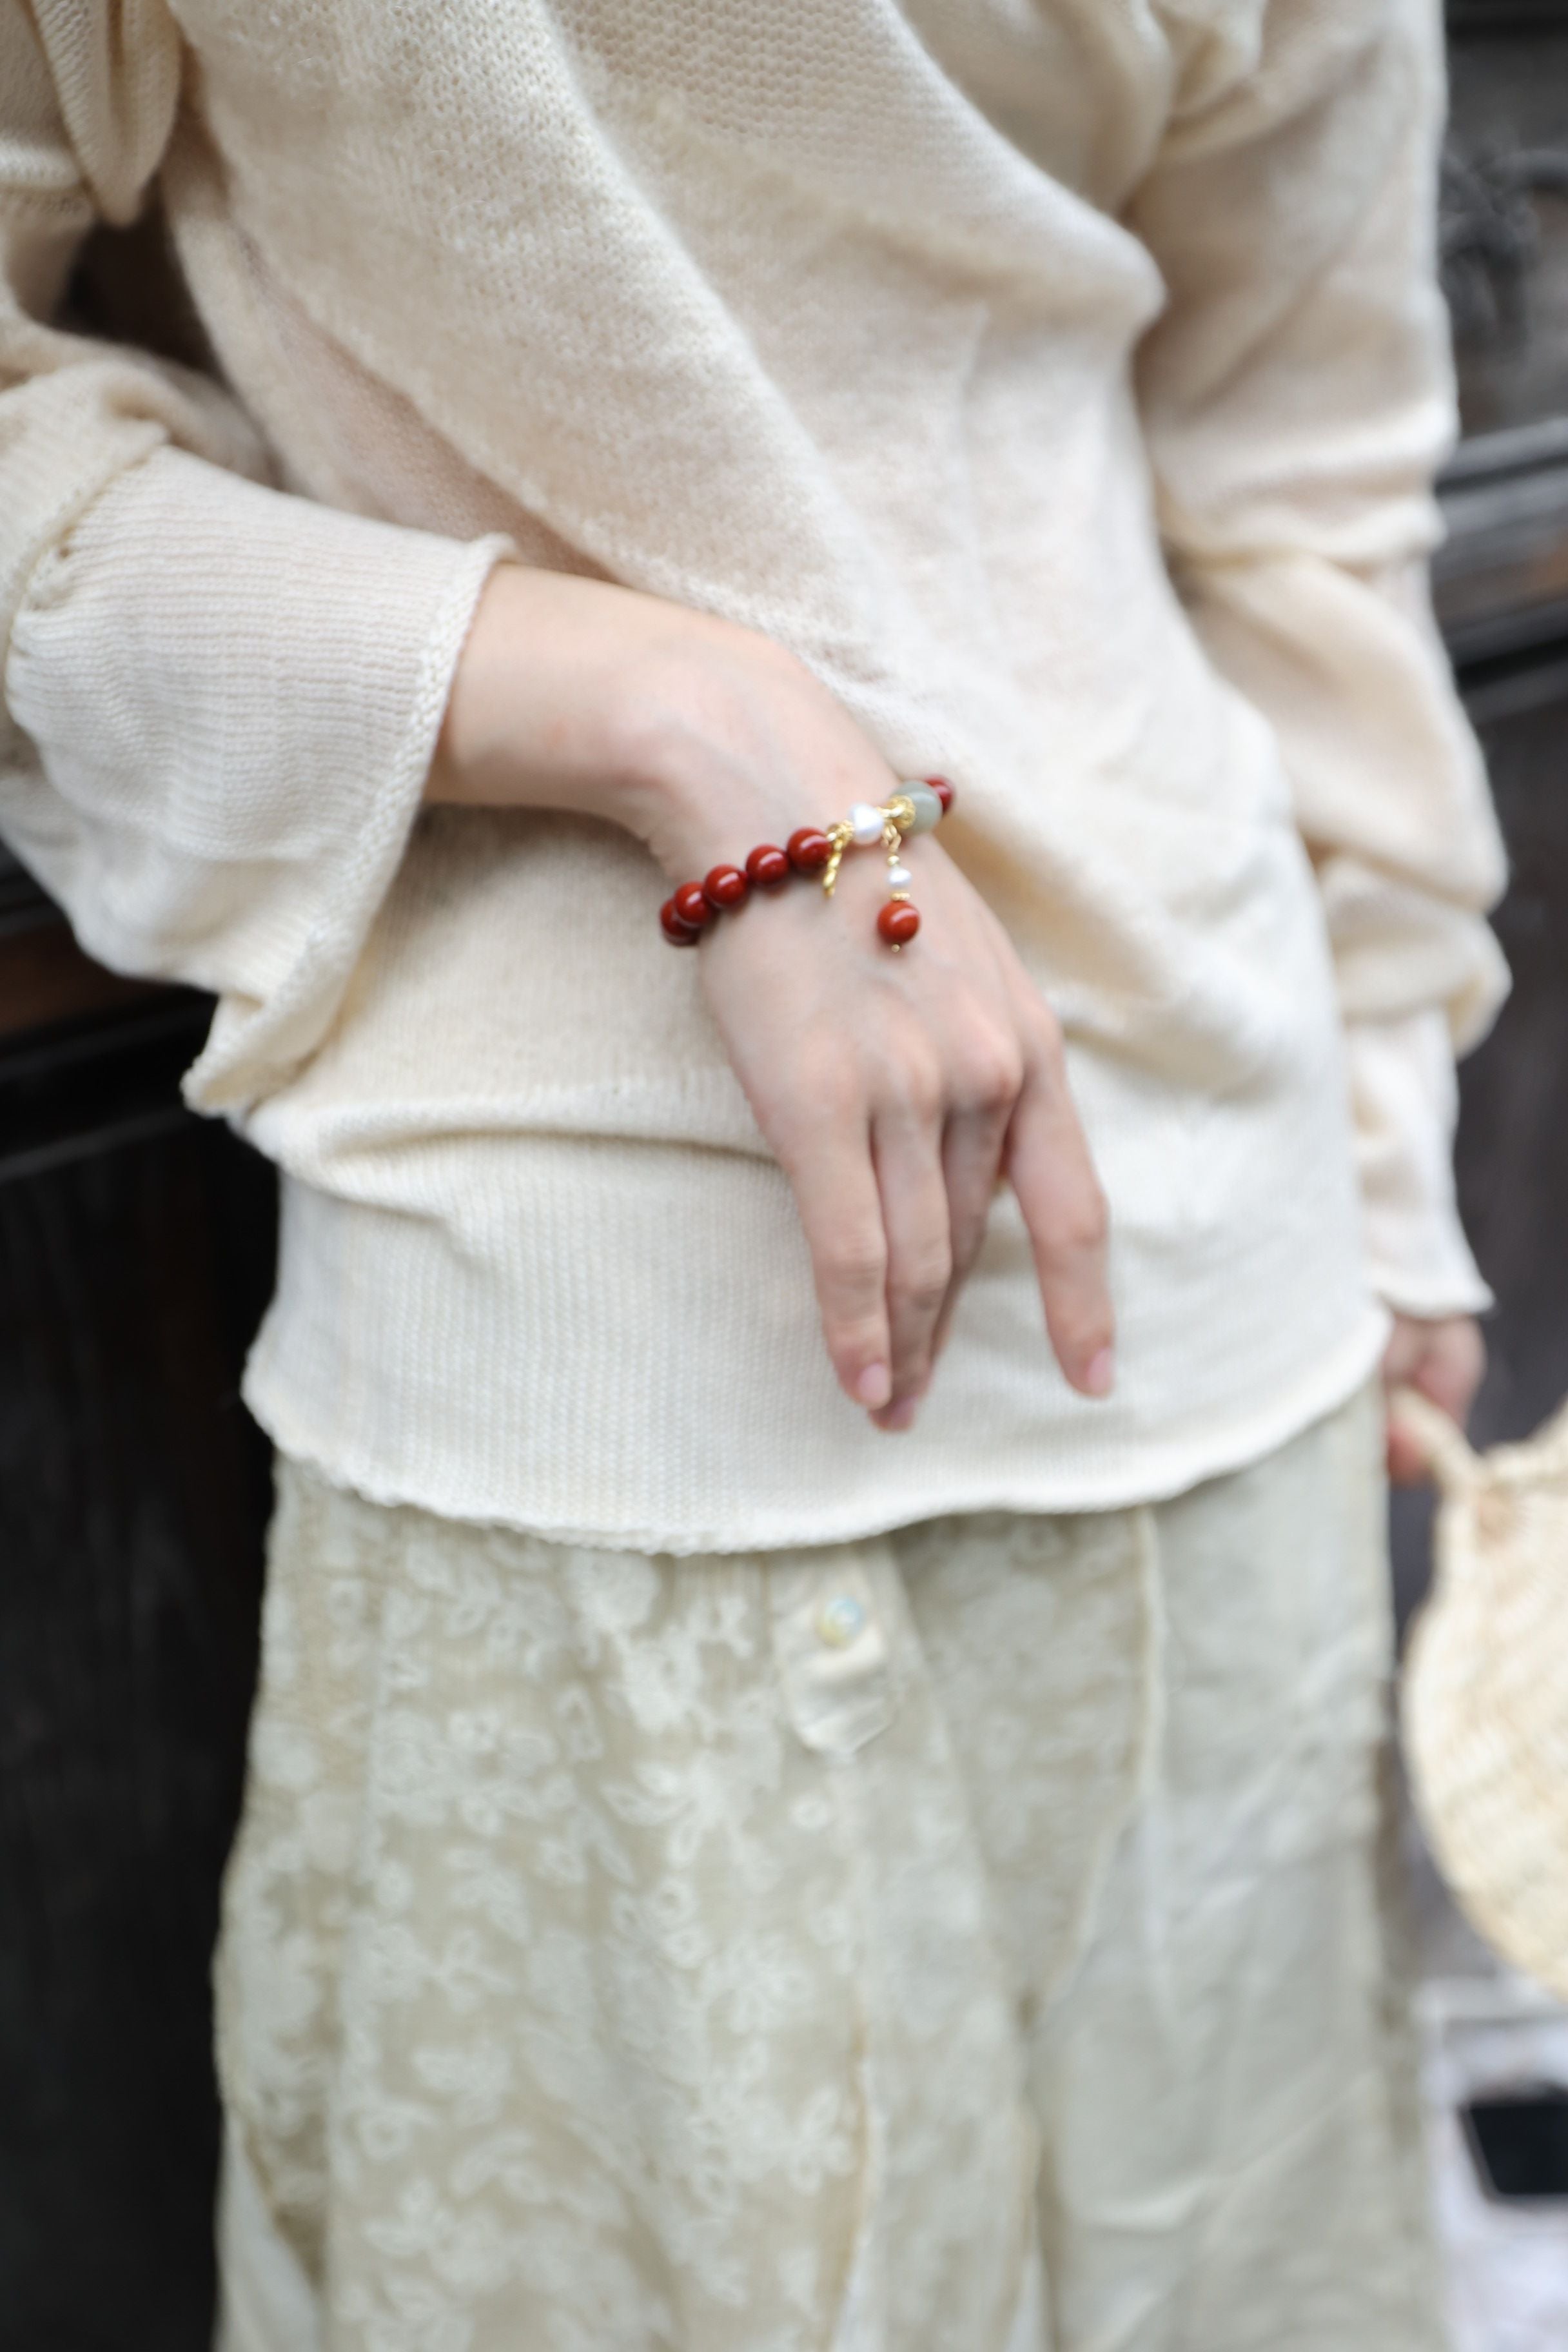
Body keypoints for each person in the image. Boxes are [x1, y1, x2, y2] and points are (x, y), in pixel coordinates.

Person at [0, 1, 1505, 2345]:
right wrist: (679, 720)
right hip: (586, 1420)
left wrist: (1395, 1159)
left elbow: (1305, 479)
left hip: (1225, 1315)